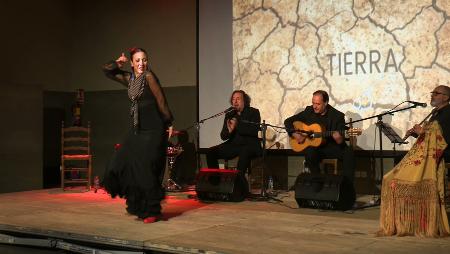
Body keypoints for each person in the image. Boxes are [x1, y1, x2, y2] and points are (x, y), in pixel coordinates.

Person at [101, 47, 174, 223]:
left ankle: (151, 211)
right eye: (138, 61)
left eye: (144, 60)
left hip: (154, 128)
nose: (142, 63)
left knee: (146, 169)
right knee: (120, 162)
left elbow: (161, 100)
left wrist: (169, 121)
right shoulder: (130, 79)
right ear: (132, 63)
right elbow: (107, 71)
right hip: (138, 129)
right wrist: (116, 64)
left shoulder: (149, 76)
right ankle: (140, 206)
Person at [378, 85, 450, 237]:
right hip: (426, 157)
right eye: (433, 93)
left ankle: (424, 224)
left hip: (441, 157)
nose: (433, 95)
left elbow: (443, 141)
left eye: (437, 93)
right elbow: (429, 139)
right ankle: (406, 223)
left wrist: (423, 132)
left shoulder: (448, 114)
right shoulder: (435, 113)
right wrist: (418, 134)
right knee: (389, 179)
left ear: (446, 97)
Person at [284, 90, 355, 184]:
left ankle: (347, 186)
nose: (314, 106)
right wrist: (294, 134)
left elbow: (340, 140)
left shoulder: (337, 116)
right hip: (316, 148)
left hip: (331, 147)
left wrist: (339, 139)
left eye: (318, 104)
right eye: (313, 103)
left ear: (325, 103)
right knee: (310, 152)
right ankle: (318, 182)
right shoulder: (309, 111)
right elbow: (288, 121)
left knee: (349, 152)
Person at [206, 90, 262, 176]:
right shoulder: (229, 114)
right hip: (234, 145)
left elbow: (254, 131)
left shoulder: (253, 112)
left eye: (238, 99)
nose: (235, 101)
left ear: (244, 101)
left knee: (245, 151)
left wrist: (237, 125)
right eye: (233, 99)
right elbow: (223, 136)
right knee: (210, 152)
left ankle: (238, 182)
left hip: (249, 145)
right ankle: (215, 182)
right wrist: (229, 131)